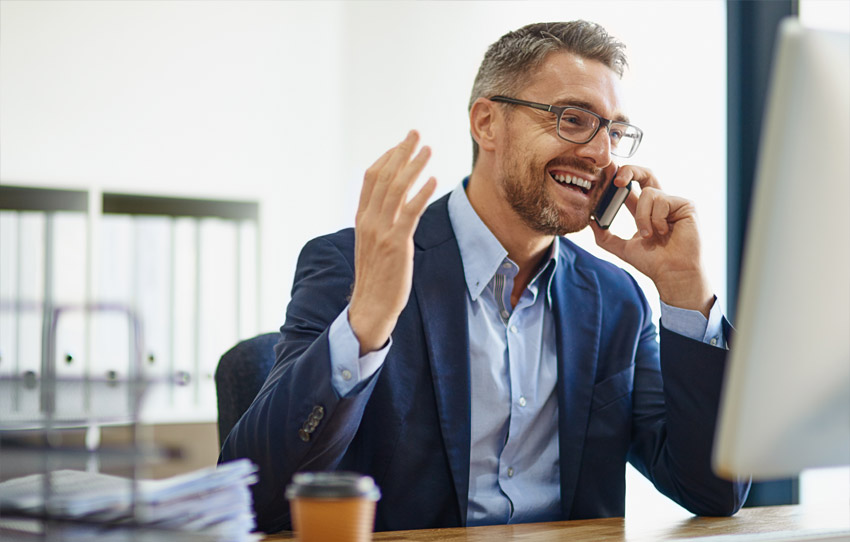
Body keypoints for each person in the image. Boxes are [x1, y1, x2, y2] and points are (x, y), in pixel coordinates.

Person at [220, 20, 750, 533]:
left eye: (613, 131)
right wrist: (365, 326)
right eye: (572, 119)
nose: (600, 154)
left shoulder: (616, 301)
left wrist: (686, 291)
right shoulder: (354, 266)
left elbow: (713, 491)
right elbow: (253, 499)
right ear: (486, 123)